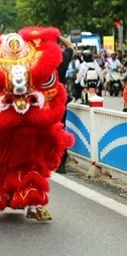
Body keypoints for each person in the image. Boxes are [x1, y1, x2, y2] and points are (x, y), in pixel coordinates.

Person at [56, 34, 75, 174]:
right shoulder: (62, 58)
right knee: (61, 129)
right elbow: (70, 46)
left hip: (42, 101)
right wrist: (58, 35)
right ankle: (61, 162)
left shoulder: (39, 60)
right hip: (59, 100)